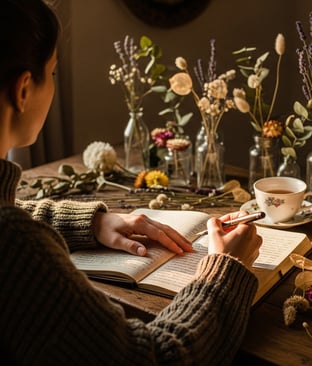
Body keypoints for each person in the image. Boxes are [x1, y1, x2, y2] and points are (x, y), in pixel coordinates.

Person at [0, 1, 262, 365]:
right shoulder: (16, 247)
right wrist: (225, 270)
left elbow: (11, 212)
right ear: (23, 90)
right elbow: (156, 357)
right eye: (54, 74)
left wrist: (94, 222)